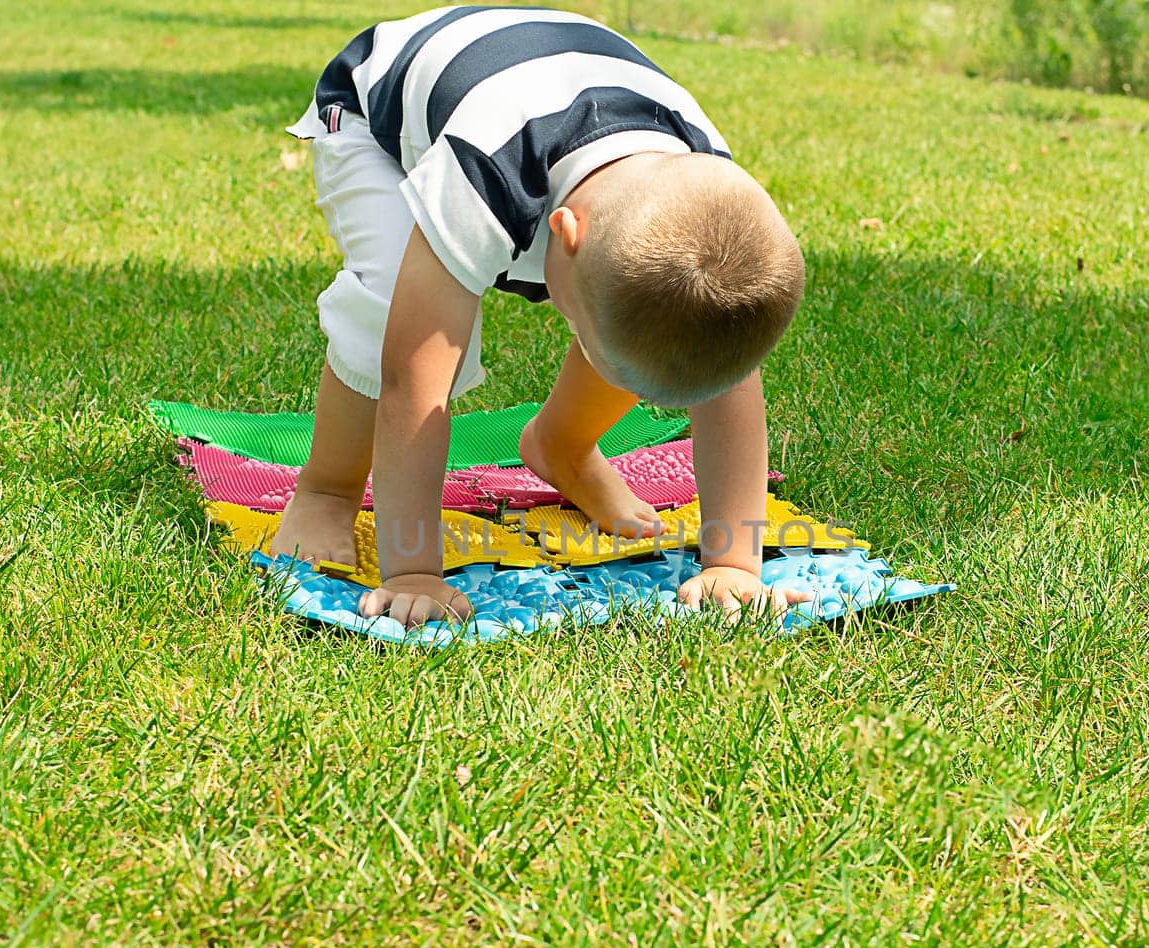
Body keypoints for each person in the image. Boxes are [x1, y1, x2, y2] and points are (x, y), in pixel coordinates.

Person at [273, 6, 808, 628]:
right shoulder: (489, 173)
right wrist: (413, 571)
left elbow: (726, 374)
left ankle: (561, 446)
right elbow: (412, 382)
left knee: (645, 319)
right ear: (564, 234)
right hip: (380, 120)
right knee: (395, 303)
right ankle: (326, 488)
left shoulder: (707, 188)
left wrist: (735, 564)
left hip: (553, 113)